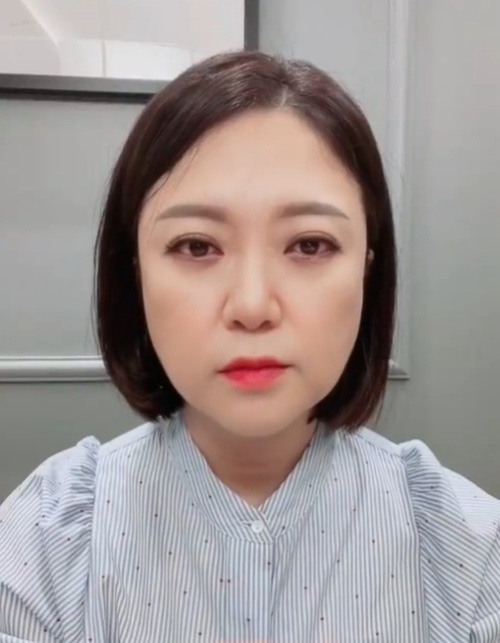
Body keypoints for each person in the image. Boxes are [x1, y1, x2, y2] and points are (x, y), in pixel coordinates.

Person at [0, 50, 498, 643]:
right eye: (196, 246)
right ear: (135, 273)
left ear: (368, 268)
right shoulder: (44, 544)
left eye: (310, 245)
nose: (253, 305)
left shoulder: (469, 551)